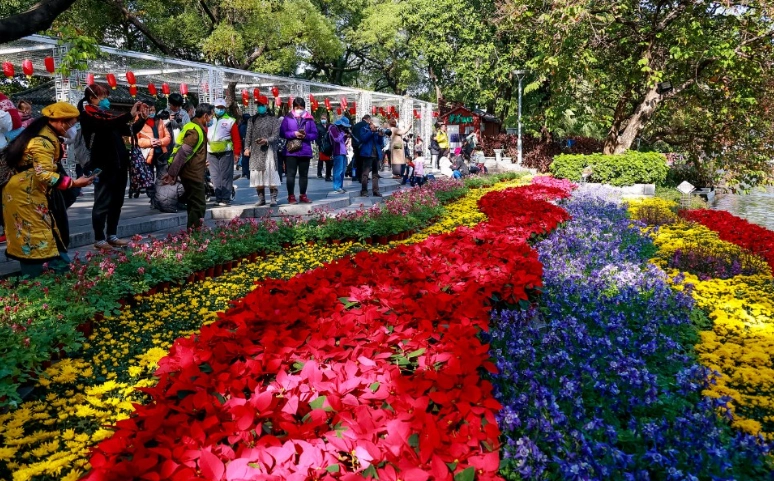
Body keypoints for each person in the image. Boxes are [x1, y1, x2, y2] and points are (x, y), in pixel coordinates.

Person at [2, 102, 95, 277]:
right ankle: (33, 284)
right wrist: (74, 183)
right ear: (60, 122)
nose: (72, 129)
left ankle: (57, 275)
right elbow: (43, 174)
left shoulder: (45, 134)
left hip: (31, 192)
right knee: (31, 237)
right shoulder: (42, 141)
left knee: (47, 232)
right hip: (24, 195)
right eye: (72, 124)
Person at [78, 83, 148, 251]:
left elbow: (128, 130)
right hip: (102, 166)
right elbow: (106, 125)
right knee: (102, 202)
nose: (106, 101)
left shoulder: (107, 116)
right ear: (92, 98)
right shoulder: (88, 116)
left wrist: (141, 118)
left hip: (119, 166)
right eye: (103, 97)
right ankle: (99, 237)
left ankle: (112, 234)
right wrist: (128, 114)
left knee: (117, 202)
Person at [162, 103, 213, 229]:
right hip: (192, 174)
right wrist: (172, 173)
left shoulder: (194, 126)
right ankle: (194, 235)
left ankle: (192, 233)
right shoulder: (194, 130)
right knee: (198, 204)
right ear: (205, 116)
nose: (212, 119)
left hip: (192, 172)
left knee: (193, 203)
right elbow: (183, 153)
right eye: (211, 116)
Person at [244, 96, 281, 207]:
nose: (260, 107)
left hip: (269, 151)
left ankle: (273, 198)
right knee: (257, 175)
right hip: (255, 152)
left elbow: (276, 136)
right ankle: (261, 199)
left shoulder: (273, 120)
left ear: (266, 106)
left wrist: (267, 140)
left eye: (262, 105)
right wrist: (246, 147)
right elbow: (248, 135)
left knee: (271, 174)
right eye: (258, 105)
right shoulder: (252, 120)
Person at [280, 97, 317, 204]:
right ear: (293, 107)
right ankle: (291, 196)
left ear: (304, 108)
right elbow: (282, 133)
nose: (299, 109)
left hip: (305, 150)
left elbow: (315, 134)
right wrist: (294, 134)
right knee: (290, 174)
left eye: (301, 107)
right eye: (297, 107)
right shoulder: (288, 118)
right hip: (291, 150)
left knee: (304, 175)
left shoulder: (309, 119)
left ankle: (303, 195)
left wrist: (305, 136)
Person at [206, 98, 242, 207]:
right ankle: (218, 198)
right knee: (215, 176)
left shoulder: (230, 121)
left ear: (225, 109)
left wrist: (236, 153)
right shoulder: (209, 120)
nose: (220, 110)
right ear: (214, 108)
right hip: (211, 152)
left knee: (226, 176)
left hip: (226, 152)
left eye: (222, 108)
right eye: (218, 108)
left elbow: (236, 139)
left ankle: (226, 198)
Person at [136, 101, 171, 204]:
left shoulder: (159, 121)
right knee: (149, 179)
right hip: (147, 155)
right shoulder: (139, 121)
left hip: (161, 153)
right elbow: (134, 140)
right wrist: (149, 142)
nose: (152, 112)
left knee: (162, 177)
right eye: (149, 110)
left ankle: (161, 198)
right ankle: (153, 199)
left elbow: (168, 137)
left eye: (153, 110)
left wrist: (160, 141)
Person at [357, 116, 384, 197]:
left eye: (376, 126)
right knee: (365, 174)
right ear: (370, 123)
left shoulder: (377, 130)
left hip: (376, 154)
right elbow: (363, 139)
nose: (375, 127)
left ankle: (375, 191)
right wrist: (371, 132)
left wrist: (380, 135)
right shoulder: (364, 129)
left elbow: (380, 143)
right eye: (374, 125)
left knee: (375, 174)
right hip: (367, 154)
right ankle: (364, 191)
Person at [329, 117, 349, 194]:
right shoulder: (333, 128)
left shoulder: (341, 130)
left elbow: (342, 141)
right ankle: (336, 187)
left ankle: (340, 186)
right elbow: (336, 139)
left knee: (343, 170)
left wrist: (346, 136)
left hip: (343, 152)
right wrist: (343, 134)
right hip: (337, 152)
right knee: (338, 170)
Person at [350, 114, 371, 181]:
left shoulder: (356, 125)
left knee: (357, 161)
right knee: (364, 162)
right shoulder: (366, 126)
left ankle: (358, 176)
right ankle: (364, 177)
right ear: (368, 119)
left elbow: (352, 135)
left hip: (355, 145)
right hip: (363, 145)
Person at [316, 113, 333, 181]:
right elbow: (317, 137)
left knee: (329, 160)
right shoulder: (318, 126)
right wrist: (319, 144)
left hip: (328, 145)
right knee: (321, 159)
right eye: (322, 119)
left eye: (324, 119)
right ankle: (319, 173)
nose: (323, 120)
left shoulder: (329, 126)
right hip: (322, 145)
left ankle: (328, 173)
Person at [238, 113, 251, 179]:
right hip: (248, 143)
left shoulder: (241, 126)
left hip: (243, 143)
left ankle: (245, 171)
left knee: (245, 158)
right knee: (247, 158)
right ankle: (247, 172)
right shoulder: (250, 125)